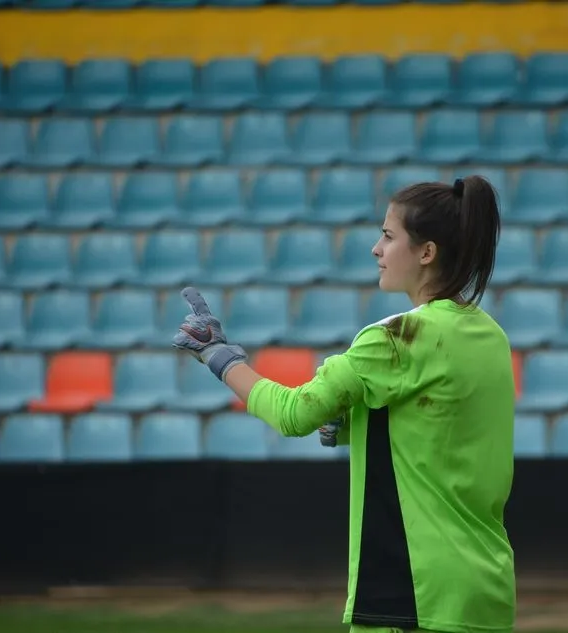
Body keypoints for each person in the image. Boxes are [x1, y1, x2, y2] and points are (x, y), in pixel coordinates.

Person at [172, 176, 517, 633]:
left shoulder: (395, 338)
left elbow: (294, 414)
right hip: (485, 588)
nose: (376, 249)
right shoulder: (491, 335)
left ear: (427, 253)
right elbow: (445, 425)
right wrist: (358, 425)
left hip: (411, 592)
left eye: (389, 236)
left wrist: (218, 355)